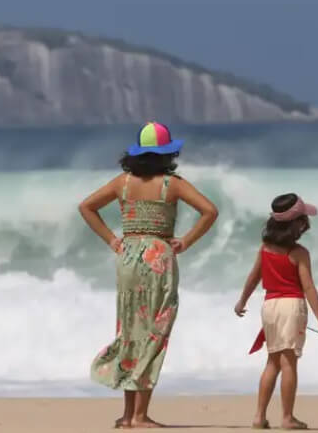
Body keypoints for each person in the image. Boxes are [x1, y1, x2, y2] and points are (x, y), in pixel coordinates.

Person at [79, 122, 219, 428]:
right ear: (167, 154)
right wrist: (186, 241)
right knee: (155, 333)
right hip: (158, 257)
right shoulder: (173, 184)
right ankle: (140, 416)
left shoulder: (123, 183)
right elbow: (210, 211)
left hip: (127, 256)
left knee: (130, 331)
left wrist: (112, 240)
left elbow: (86, 206)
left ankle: (128, 415)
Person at [234, 193, 318, 430]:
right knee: (289, 364)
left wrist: (242, 301)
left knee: (272, 362)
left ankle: (259, 416)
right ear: (296, 224)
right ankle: (287, 417)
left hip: (269, 307)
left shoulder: (265, 248)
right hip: (291, 307)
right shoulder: (298, 253)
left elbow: (254, 277)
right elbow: (308, 287)